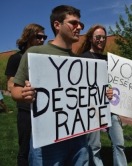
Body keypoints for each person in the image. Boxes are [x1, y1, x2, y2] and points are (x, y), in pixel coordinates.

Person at [11, 5, 111, 166]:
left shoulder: (79, 60)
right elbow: (15, 90)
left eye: (81, 25)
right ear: (57, 25)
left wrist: (102, 95)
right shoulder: (35, 53)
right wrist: (24, 94)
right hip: (47, 142)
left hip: (79, 138)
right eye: (73, 23)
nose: (79, 27)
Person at [81, 24, 128, 166]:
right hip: (92, 108)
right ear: (90, 38)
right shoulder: (82, 58)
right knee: (94, 146)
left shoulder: (109, 60)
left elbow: (116, 81)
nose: (101, 40)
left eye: (104, 37)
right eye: (98, 37)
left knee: (119, 143)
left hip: (110, 108)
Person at [4, 23, 46, 166]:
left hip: (43, 109)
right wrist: (24, 92)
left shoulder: (43, 57)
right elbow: (10, 85)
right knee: (25, 149)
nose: (42, 40)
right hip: (25, 111)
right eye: (39, 37)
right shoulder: (16, 58)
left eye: (44, 37)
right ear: (28, 37)